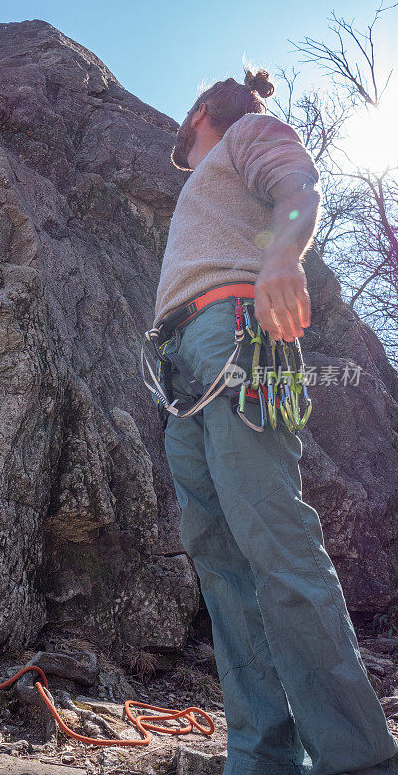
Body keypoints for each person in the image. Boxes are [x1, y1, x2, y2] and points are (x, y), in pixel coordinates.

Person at [148, 67, 398, 775]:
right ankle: (261, 759)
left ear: (202, 111)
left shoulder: (248, 131)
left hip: (233, 335)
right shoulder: (203, 182)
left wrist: (282, 256)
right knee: (222, 567)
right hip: (179, 363)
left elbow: (298, 184)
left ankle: (359, 762)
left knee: (277, 544)